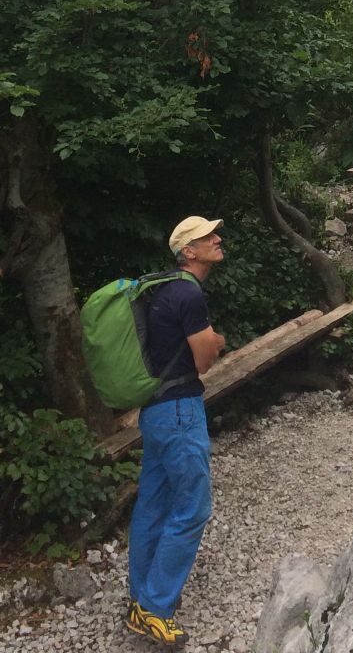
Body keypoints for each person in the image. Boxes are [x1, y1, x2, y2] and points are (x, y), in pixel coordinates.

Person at [126, 216, 227, 649]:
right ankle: (154, 609)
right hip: (181, 411)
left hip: (155, 411)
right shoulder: (188, 292)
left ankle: (140, 599)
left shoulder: (164, 288)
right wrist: (218, 340)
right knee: (192, 508)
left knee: (154, 503)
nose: (216, 239)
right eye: (207, 237)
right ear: (189, 251)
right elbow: (204, 359)